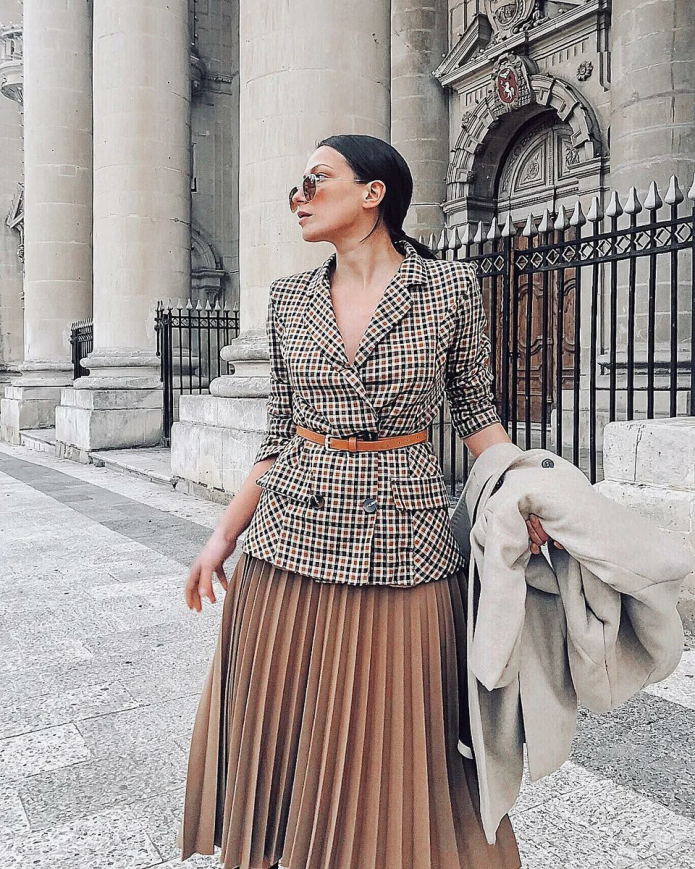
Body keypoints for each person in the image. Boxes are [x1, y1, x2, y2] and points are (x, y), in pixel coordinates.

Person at [178, 134, 558, 869]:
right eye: (297, 183)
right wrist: (221, 538)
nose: (298, 195)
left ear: (372, 192)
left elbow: (477, 418)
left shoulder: (447, 288)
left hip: (405, 539)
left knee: (401, 731)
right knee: (284, 724)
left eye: (316, 179)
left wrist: (522, 493)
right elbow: (278, 435)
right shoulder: (289, 298)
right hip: (288, 540)